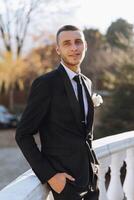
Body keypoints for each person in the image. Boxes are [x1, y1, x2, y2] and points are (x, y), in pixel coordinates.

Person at [15, 25, 100, 200]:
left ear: (85, 46)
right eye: (67, 43)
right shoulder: (46, 84)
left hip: (91, 180)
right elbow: (23, 134)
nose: (74, 48)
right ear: (58, 50)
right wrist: (50, 176)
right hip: (66, 185)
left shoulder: (87, 82)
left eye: (78, 42)